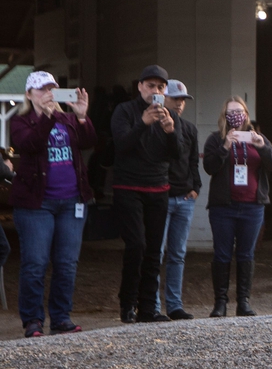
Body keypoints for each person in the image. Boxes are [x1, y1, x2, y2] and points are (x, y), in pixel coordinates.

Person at [10, 72, 96, 337]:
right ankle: (33, 320)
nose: (48, 93)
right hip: (36, 203)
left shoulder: (68, 119)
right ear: (28, 94)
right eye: (41, 89)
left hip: (71, 201)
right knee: (35, 262)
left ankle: (60, 317)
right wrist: (46, 116)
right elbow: (29, 144)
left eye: (52, 89)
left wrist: (82, 116)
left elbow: (90, 143)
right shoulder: (20, 121)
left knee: (67, 263)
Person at [111, 65, 178, 323]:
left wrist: (171, 131)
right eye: (150, 85)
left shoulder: (168, 114)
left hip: (158, 187)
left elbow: (177, 155)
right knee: (136, 245)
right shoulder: (124, 111)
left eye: (161, 87)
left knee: (153, 250)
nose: (155, 91)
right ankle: (127, 304)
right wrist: (142, 123)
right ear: (139, 87)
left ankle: (148, 309)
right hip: (128, 187)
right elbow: (121, 145)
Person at [203, 97, 272, 317]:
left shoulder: (258, 138)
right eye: (231, 112)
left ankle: (243, 302)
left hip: (252, 207)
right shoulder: (215, 140)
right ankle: (220, 303)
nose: (235, 116)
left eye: (239, 111)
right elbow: (210, 167)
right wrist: (226, 145)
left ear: (246, 114)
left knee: (246, 254)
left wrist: (262, 147)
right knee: (222, 254)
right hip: (223, 208)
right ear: (224, 116)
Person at [152, 80, 201, 320]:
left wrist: (196, 188)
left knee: (177, 254)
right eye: (175, 99)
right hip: (160, 197)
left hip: (184, 197)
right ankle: (152, 305)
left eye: (183, 100)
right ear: (163, 99)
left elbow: (193, 162)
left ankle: (174, 305)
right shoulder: (153, 127)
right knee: (156, 252)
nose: (180, 104)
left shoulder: (190, 129)